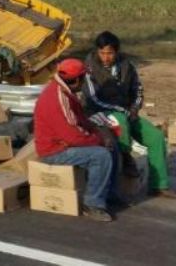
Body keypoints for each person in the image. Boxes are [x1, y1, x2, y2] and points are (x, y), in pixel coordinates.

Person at [83, 31, 176, 199]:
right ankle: (126, 156)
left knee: (156, 137)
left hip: (128, 111)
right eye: (102, 53)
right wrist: (124, 111)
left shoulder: (127, 66)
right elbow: (92, 98)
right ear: (97, 51)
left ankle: (159, 185)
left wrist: (135, 108)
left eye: (110, 53)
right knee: (121, 122)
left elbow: (138, 90)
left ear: (117, 51)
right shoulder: (89, 68)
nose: (106, 57)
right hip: (99, 112)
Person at [34, 58, 118, 222]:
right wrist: (98, 140)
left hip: (62, 144)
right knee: (100, 155)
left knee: (111, 144)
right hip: (54, 150)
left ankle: (109, 194)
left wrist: (99, 133)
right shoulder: (58, 98)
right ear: (77, 80)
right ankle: (92, 204)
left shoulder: (64, 91)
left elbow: (80, 120)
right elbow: (73, 135)